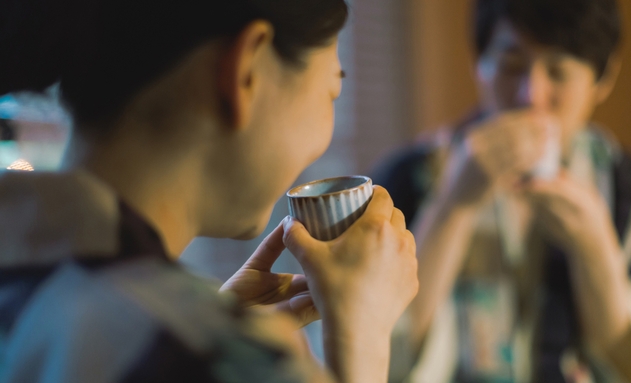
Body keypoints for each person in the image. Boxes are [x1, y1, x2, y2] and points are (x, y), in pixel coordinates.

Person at [0, 0, 419, 382]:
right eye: (332, 89)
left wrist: (207, 323)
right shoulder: (207, 352)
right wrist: (359, 342)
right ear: (247, 71)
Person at [374, 0, 631, 381]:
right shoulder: (401, 185)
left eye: (559, 71)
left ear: (603, 79)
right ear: (478, 63)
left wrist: (596, 249)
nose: (530, 95)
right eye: (512, 65)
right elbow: (372, 355)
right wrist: (452, 208)